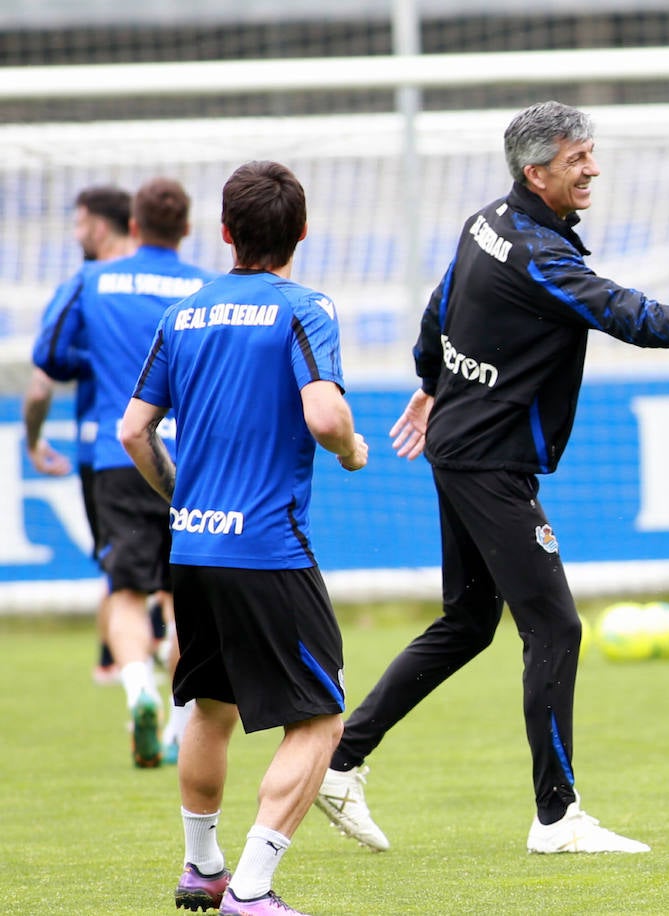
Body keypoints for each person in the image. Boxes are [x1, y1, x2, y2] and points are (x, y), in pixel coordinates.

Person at [312, 99, 669, 856]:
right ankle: (556, 817)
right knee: (555, 626)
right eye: (577, 159)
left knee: (469, 624)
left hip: (462, 448)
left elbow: (439, 307)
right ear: (535, 173)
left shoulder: (484, 223)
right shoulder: (540, 257)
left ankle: (339, 762)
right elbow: (632, 316)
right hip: (489, 464)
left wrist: (431, 380)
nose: (593, 167)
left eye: (591, 153)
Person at [120, 160, 368, 915]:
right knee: (321, 716)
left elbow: (134, 429)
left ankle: (202, 869)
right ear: (300, 232)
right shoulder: (303, 307)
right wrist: (354, 450)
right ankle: (253, 889)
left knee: (210, 706)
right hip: (267, 548)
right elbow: (326, 418)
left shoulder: (183, 314)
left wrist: (183, 499)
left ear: (225, 234)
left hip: (191, 546)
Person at [33, 177, 216, 769]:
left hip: (120, 458)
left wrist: (100, 359)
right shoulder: (205, 289)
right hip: (189, 462)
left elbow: (49, 356)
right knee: (189, 596)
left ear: (132, 227)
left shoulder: (91, 281)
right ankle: (179, 723)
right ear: (187, 229)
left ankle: (137, 691)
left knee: (126, 591)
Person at [22, 184, 137, 688]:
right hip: (175, 444)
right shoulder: (172, 287)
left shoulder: (87, 287)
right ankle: (160, 665)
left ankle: (119, 663)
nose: (74, 233)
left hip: (107, 449)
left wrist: (32, 440)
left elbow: (42, 378)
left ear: (98, 225)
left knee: (120, 567)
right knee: (177, 569)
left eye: (77, 222)